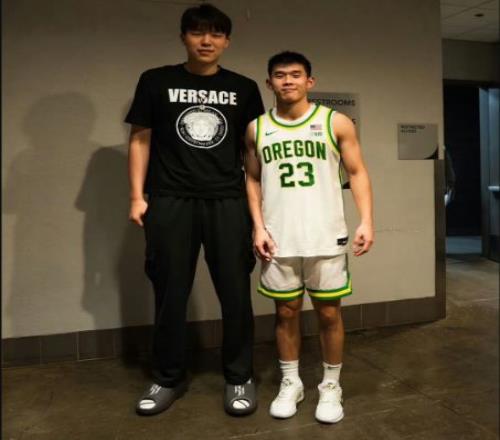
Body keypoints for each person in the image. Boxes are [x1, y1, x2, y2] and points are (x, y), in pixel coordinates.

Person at [125, 3, 264, 416]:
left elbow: (252, 150)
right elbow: (140, 139)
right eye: (198, 32)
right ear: (183, 37)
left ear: (227, 41)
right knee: (170, 292)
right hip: (170, 198)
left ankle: (239, 376)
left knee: (235, 292)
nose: (207, 41)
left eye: (216, 34)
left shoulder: (243, 87)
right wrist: (137, 196)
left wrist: (259, 207)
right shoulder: (156, 81)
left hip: (227, 200)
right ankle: (167, 377)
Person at [245, 51, 374, 423]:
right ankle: (291, 382)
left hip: (325, 235)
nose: (288, 81)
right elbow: (252, 179)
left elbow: (357, 172)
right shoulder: (257, 128)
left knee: (329, 313)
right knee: (285, 312)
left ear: (309, 81)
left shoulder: (335, 122)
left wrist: (367, 220)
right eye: (280, 75)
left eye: (296, 74)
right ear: (269, 83)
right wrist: (257, 226)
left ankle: (331, 386)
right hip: (278, 237)